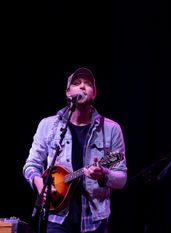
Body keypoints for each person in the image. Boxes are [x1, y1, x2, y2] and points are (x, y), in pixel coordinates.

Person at [23, 67, 127, 233]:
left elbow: (121, 178)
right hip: (56, 217)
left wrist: (104, 175)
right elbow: (31, 165)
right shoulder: (48, 126)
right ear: (67, 92)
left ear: (94, 93)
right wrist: (41, 186)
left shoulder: (111, 129)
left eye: (88, 84)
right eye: (77, 83)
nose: (82, 87)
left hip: (94, 221)